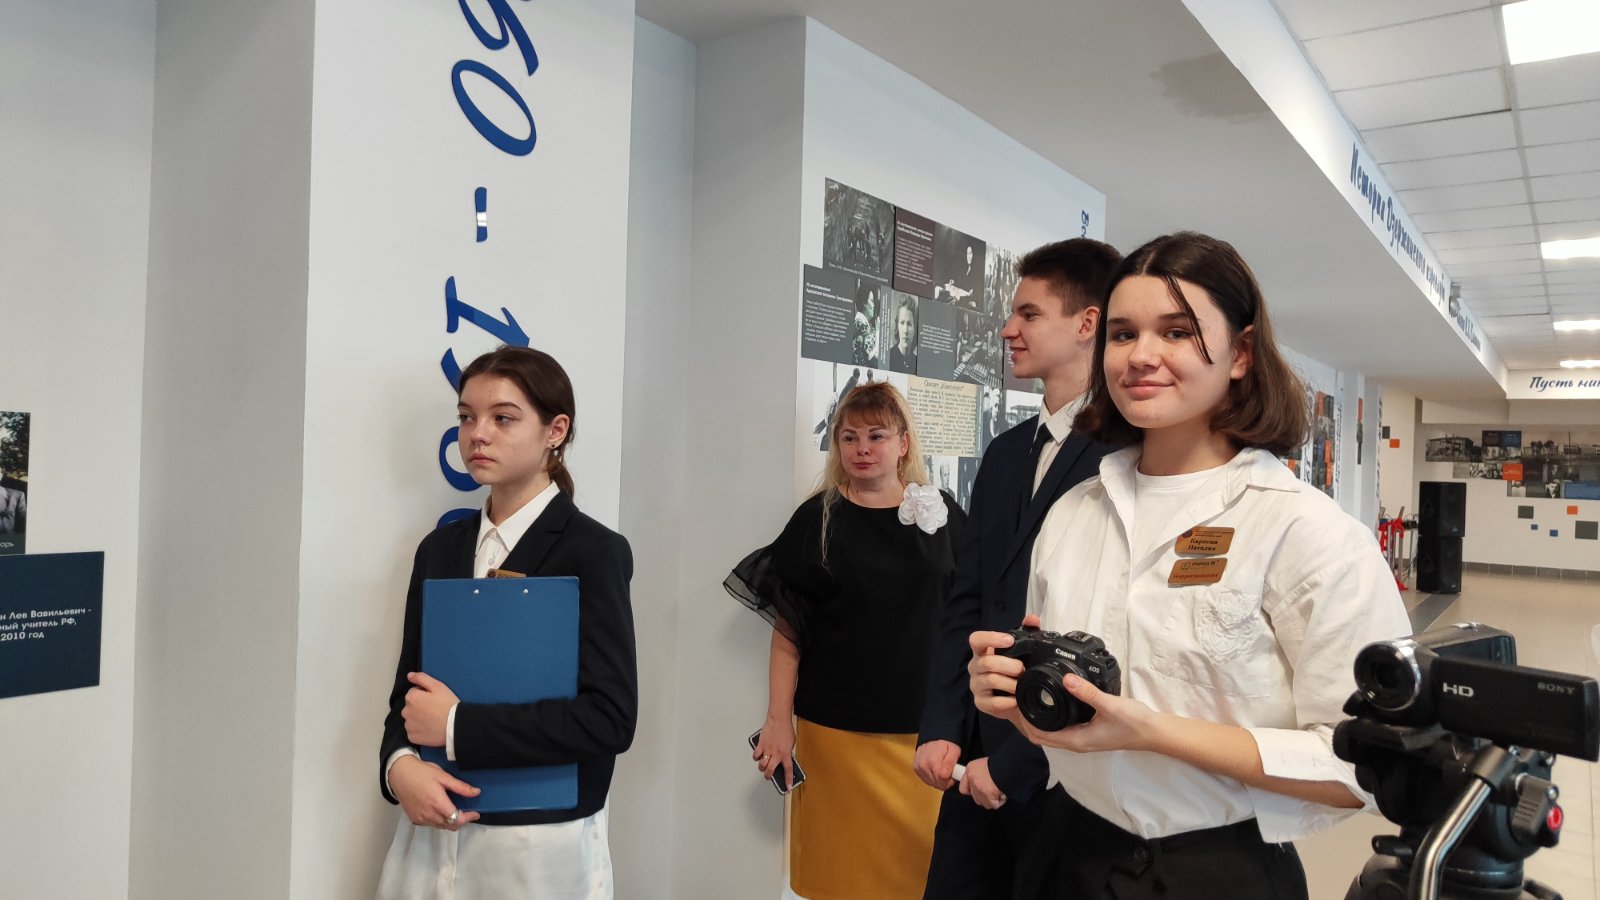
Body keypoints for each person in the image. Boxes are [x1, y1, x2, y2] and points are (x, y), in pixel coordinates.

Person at [967, 232, 1411, 899]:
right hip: (1063, 851)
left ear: (1242, 353)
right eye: (1123, 334)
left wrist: (1154, 732)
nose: (1141, 356)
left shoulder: (1304, 532)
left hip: (1215, 870)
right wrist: (1009, 687)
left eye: (1176, 332)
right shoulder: (1074, 514)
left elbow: (1366, 766)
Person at [376, 345, 637, 899]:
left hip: (539, 845)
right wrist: (399, 767)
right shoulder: (439, 549)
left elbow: (610, 719)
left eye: (502, 418)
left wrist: (456, 726)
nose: (477, 434)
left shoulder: (594, 551)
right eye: (466, 417)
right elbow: (409, 690)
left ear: (555, 431)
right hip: (432, 833)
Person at [915, 238, 1121, 900]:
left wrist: (1015, 764)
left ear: (1087, 323)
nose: (1008, 329)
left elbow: (1113, 638)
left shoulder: (1126, 456)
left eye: (1029, 314)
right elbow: (969, 600)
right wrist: (941, 726)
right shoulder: (1005, 454)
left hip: (1064, 768)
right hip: (974, 758)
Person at [726, 382, 966, 900]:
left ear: (903, 443)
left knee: (924, 876)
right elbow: (787, 635)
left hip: (923, 737)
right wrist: (777, 723)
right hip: (835, 736)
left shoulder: (940, 512)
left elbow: (969, 616)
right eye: (849, 437)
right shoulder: (818, 519)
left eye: (876, 436)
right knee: (837, 877)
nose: (862, 449)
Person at [853, 284, 882, 366]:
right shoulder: (862, 324)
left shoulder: (860, 322)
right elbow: (875, 357)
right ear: (864, 303)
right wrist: (878, 330)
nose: (874, 305)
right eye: (872, 301)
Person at [890, 294, 919, 373]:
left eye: (909, 324)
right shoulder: (888, 357)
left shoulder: (917, 363)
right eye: (902, 323)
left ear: (915, 328)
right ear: (897, 326)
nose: (905, 330)